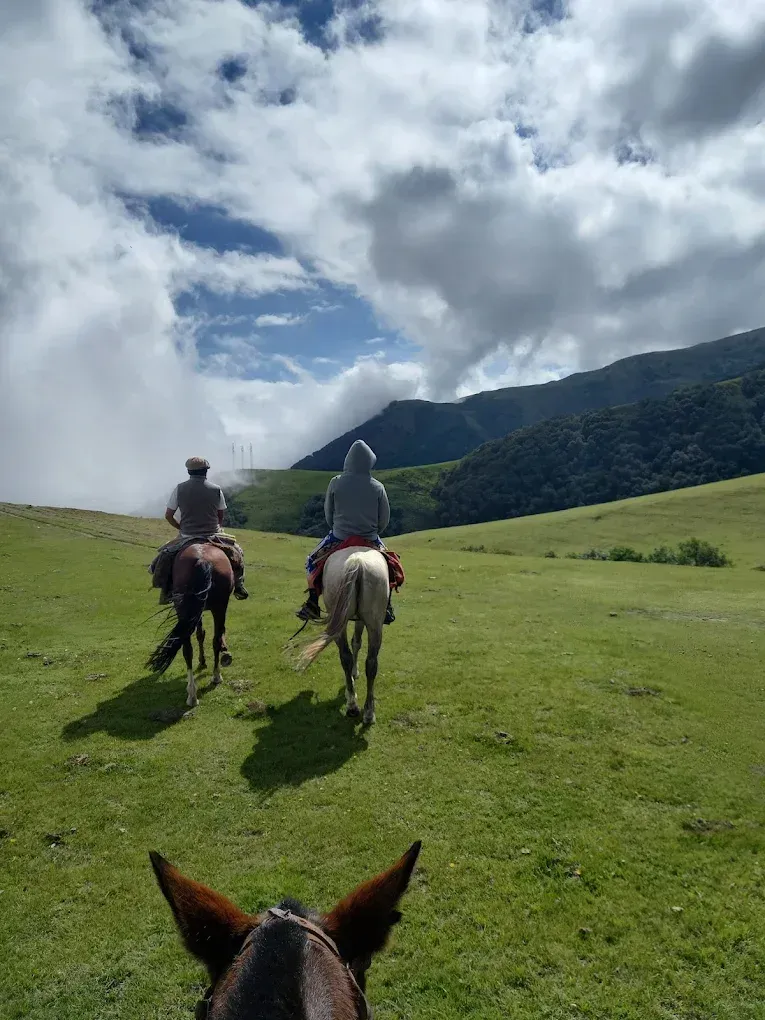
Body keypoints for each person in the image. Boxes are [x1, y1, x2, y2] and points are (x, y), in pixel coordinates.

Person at [296, 440, 401, 624]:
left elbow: (328, 514)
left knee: (311, 560)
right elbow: (384, 520)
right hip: (370, 539)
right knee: (391, 565)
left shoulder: (335, 482)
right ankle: (387, 606)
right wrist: (372, 532)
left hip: (339, 537)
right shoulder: (378, 487)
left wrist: (338, 528)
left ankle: (313, 602)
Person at [149, 456, 249, 604]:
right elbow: (220, 515)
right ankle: (239, 585)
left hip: (187, 535)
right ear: (206, 471)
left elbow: (168, 515)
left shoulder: (179, 488)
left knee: (163, 557)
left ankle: (166, 591)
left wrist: (180, 527)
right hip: (212, 534)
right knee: (238, 552)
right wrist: (217, 528)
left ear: (189, 471)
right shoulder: (216, 490)